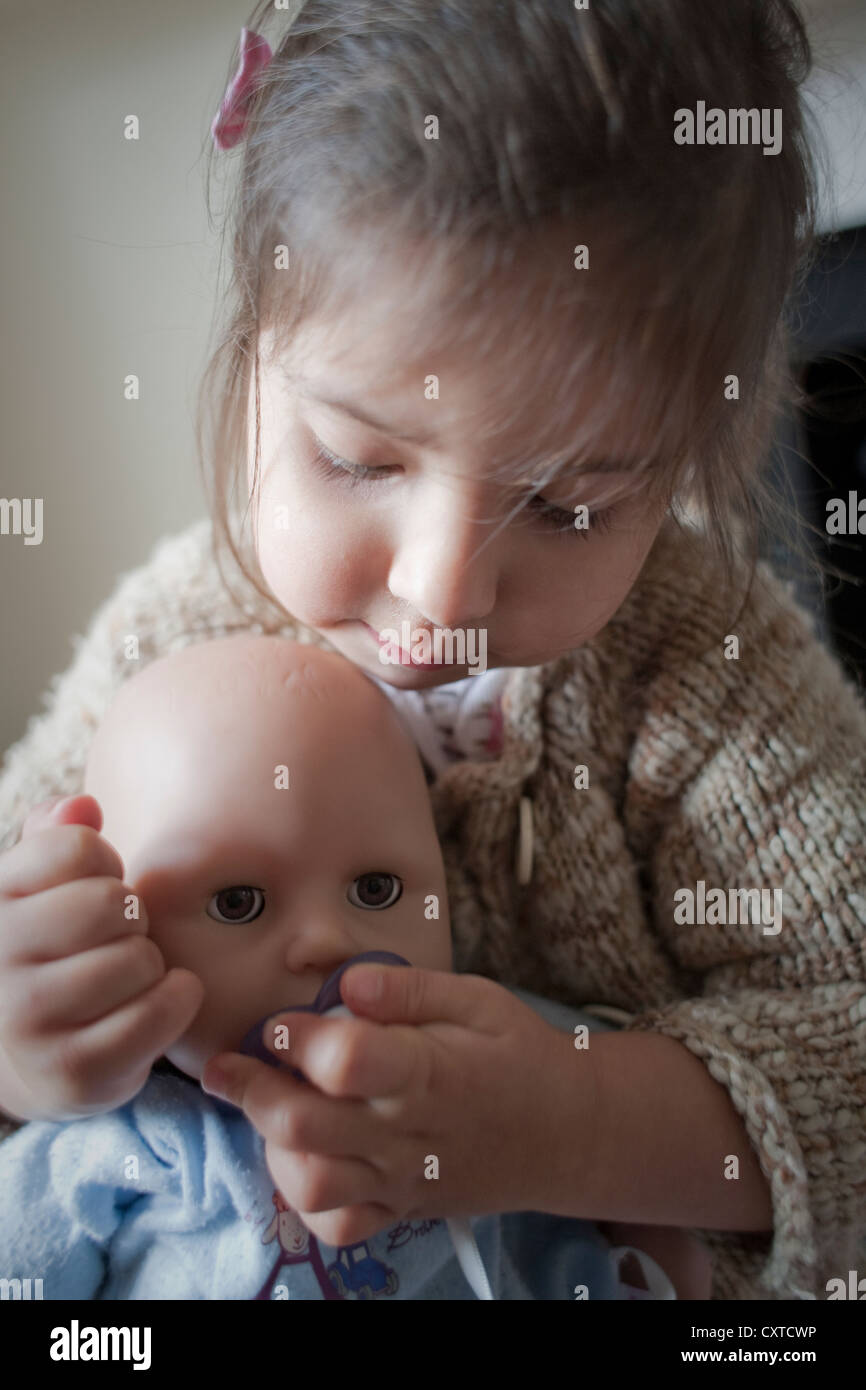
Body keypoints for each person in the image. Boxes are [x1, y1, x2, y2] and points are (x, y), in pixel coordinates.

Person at [0, 1, 864, 1302]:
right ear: (250, 358)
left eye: (568, 506)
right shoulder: (166, 648)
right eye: (358, 458)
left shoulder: (712, 671)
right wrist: (23, 1050)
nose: (438, 592)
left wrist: (567, 1129)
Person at [0, 635, 705, 1299]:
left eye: (377, 890)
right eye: (239, 902)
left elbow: (582, 1219)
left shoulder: (483, 1081)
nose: (329, 942)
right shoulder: (128, 1137)